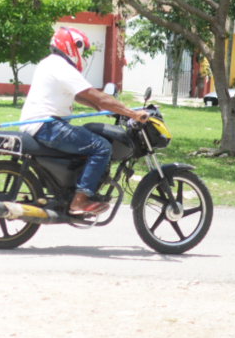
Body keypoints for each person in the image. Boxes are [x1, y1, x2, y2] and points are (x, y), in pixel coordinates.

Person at [19, 26, 150, 216]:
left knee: (85, 139)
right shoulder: (62, 67)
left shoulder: (49, 63)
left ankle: (70, 190)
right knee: (102, 147)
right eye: (82, 49)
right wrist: (133, 114)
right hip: (48, 126)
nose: (83, 54)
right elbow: (100, 97)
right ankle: (79, 200)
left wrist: (98, 107)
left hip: (39, 124)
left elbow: (80, 96)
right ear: (73, 46)